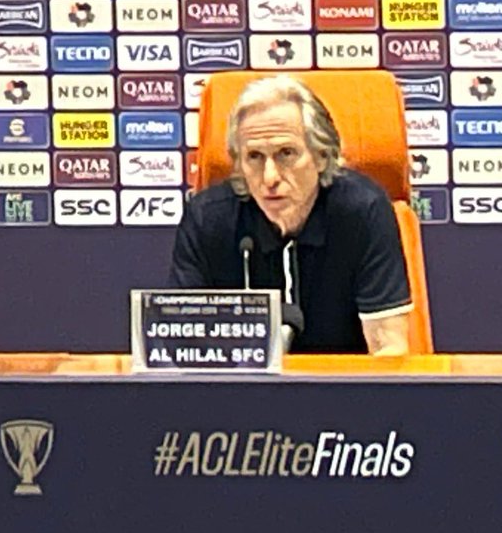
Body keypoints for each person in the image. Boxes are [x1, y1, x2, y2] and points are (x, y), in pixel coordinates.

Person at [169, 76, 415, 355]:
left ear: (322, 156)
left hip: (343, 380)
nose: (269, 178)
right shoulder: (207, 219)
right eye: (254, 156)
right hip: (239, 383)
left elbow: (388, 350)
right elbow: (182, 346)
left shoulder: (362, 212)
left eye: (286, 153)